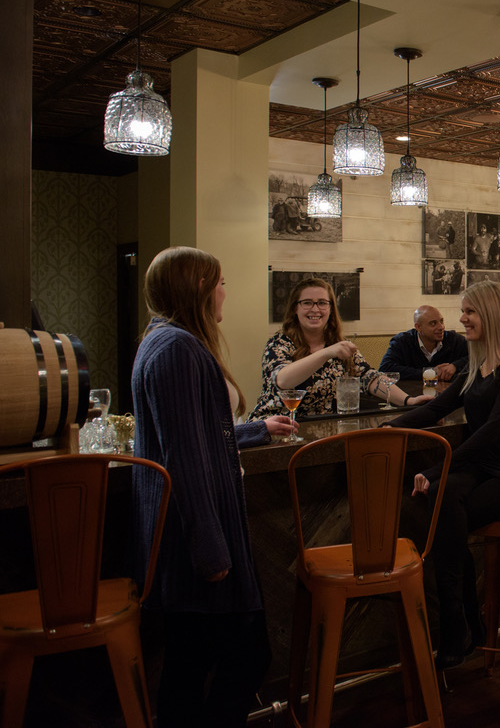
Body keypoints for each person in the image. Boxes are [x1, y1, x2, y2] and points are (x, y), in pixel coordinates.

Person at [131, 246, 296, 727]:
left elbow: (197, 430)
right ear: (200, 289)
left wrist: (258, 430)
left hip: (184, 532)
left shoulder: (161, 340)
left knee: (192, 661)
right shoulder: (179, 348)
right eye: (220, 282)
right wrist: (210, 550)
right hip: (193, 538)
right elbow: (183, 456)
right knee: (241, 654)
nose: (227, 291)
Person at [386, 281, 500, 669]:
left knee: (444, 504)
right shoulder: (475, 364)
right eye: (463, 312)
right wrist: (388, 430)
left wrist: (439, 466)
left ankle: (458, 627)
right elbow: (435, 407)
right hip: (484, 466)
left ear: (491, 314)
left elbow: (493, 429)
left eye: (469, 312)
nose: (461, 320)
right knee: (444, 501)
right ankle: (463, 625)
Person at [250, 278, 428, 419]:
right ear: (295, 308)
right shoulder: (279, 343)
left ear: (330, 308)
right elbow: (283, 380)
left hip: (323, 428)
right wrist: (326, 353)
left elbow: (369, 377)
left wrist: (408, 401)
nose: (315, 309)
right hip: (277, 428)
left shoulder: (337, 343)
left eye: (322, 303)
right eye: (307, 303)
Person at [379, 304, 469, 382]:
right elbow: (385, 368)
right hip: (411, 396)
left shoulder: (454, 340)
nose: (441, 327)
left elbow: (477, 357)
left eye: (441, 321)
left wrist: (455, 366)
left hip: (446, 397)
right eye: (433, 323)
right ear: (418, 327)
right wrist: (428, 373)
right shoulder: (402, 341)